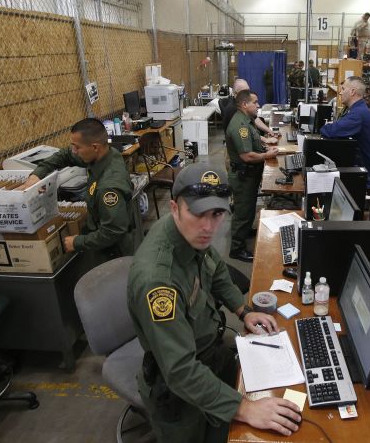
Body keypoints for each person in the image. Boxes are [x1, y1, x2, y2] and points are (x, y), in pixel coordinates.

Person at [128, 164, 302, 442]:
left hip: (209, 352)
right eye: (198, 214)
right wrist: (243, 408)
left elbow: (216, 268)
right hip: (179, 393)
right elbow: (181, 371)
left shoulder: (190, 233)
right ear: (174, 208)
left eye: (217, 214)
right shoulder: (158, 282)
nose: (209, 227)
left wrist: (242, 310)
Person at [17, 118, 134, 265]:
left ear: (95, 147)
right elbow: (65, 155)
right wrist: (37, 175)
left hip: (113, 254)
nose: (74, 151)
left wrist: (77, 242)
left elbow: (113, 231)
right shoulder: (104, 155)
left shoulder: (109, 188)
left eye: (77, 147)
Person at [225, 90, 280, 262]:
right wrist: (267, 156)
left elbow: (254, 142)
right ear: (244, 104)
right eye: (255, 102)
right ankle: (237, 249)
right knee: (243, 211)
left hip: (249, 174)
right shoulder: (240, 126)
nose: (258, 105)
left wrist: (264, 148)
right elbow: (247, 155)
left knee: (248, 210)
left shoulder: (247, 121)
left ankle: (245, 231)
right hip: (243, 176)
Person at [320, 76, 370, 193]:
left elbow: (330, 130)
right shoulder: (357, 110)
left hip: (367, 177)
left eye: (343, 89)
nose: (340, 92)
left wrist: (325, 126)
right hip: (364, 170)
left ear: (353, 92)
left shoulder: (358, 114)